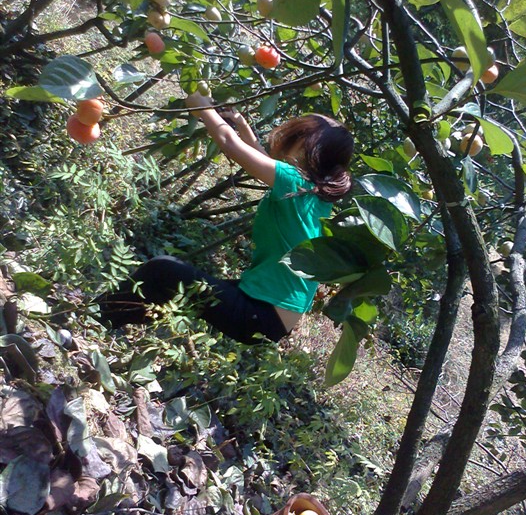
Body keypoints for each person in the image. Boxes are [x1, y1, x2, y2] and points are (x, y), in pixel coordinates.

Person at [97, 90, 354, 345]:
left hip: (258, 314)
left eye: (298, 136)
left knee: (163, 269)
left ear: (309, 149)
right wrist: (241, 124)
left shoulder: (294, 182)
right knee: (169, 286)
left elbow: (230, 144)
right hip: (269, 317)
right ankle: (107, 323)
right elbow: (261, 158)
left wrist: (201, 108)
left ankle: (95, 318)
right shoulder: (314, 195)